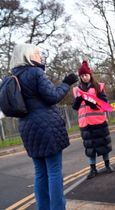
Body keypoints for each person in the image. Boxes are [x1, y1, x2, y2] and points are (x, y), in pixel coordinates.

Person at [10, 43, 78, 210]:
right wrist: (66, 83)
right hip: (46, 127)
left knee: (40, 172)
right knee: (54, 171)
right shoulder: (35, 72)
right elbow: (52, 96)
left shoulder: (14, 76)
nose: (40, 56)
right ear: (28, 56)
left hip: (27, 128)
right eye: (37, 53)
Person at [72, 60, 114, 179]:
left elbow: (104, 103)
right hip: (85, 123)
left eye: (86, 75)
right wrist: (79, 99)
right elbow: (75, 106)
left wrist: (92, 103)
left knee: (103, 144)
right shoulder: (77, 89)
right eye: (82, 75)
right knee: (90, 147)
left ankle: (107, 165)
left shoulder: (98, 87)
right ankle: (93, 168)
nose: (84, 77)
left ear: (90, 75)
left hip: (98, 121)